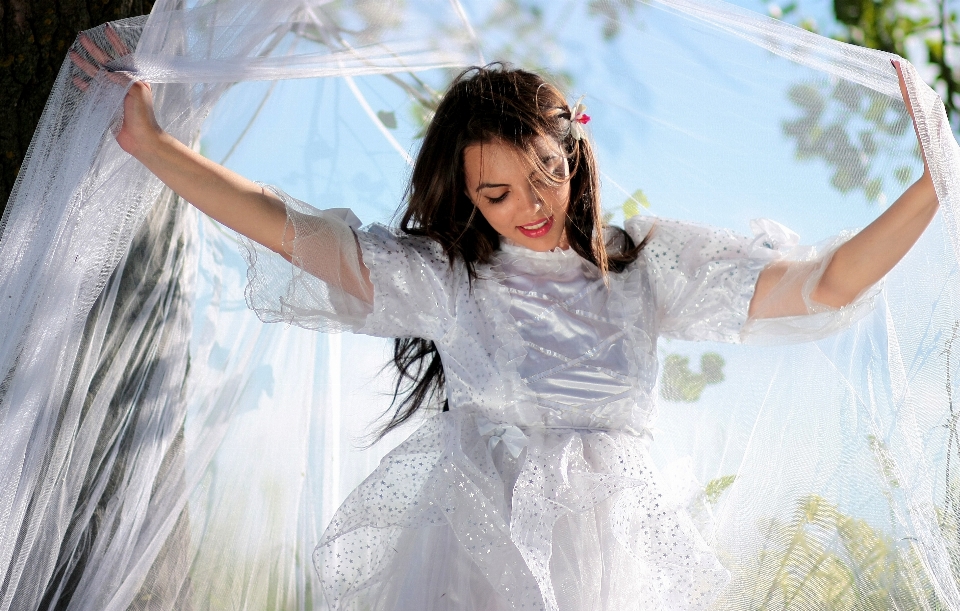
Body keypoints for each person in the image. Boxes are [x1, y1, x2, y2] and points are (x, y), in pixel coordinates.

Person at [71, 30, 939, 610]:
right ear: (464, 194)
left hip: (615, 547)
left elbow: (823, 284)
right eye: (495, 193)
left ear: (575, 155)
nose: (529, 207)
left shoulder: (649, 266)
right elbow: (289, 227)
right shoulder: (448, 278)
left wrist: (938, 180)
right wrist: (152, 146)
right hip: (480, 538)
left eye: (546, 177)